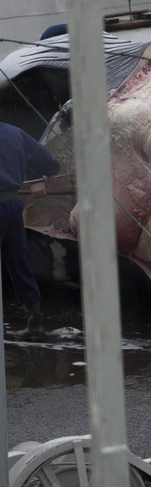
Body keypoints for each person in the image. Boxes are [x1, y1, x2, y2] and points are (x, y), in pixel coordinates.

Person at [0, 122, 60, 340]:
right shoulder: (15, 132)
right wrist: (36, 178)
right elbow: (50, 163)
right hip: (12, 207)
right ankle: (35, 325)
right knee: (19, 264)